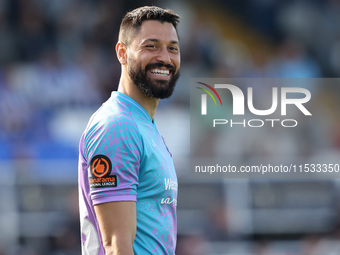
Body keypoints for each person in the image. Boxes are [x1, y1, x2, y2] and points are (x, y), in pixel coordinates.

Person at [78, 6, 180, 255]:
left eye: (172, 48)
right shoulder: (117, 127)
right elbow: (116, 247)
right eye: (151, 46)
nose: (165, 58)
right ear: (122, 53)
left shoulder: (143, 124)